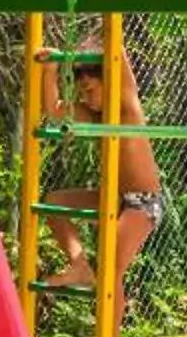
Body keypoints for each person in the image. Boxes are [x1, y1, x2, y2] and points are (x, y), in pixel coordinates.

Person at [37, 55, 163, 291]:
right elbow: (54, 111)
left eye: (91, 90)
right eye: (81, 92)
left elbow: (118, 50)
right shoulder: (93, 114)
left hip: (143, 202)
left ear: (109, 82)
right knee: (55, 201)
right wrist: (51, 70)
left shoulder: (126, 105)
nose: (86, 98)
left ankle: (109, 329)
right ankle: (80, 267)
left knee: (109, 271)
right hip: (113, 197)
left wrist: (99, 40)